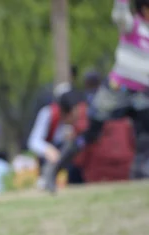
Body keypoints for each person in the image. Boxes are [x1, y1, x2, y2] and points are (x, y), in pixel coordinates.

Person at [45, 0, 149, 192]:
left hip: (142, 94)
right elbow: (119, 15)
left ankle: (141, 176)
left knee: (144, 135)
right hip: (117, 90)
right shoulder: (132, 26)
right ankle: (55, 169)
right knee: (90, 133)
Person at [28, 89, 88, 187]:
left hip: (64, 159)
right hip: (48, 158)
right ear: (68, 111)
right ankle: (46, 178)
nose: (78, 113)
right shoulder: (48, 113)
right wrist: (48, 150)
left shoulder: (71, 124)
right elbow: (33, 141)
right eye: (76, 109)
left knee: (75, 145)